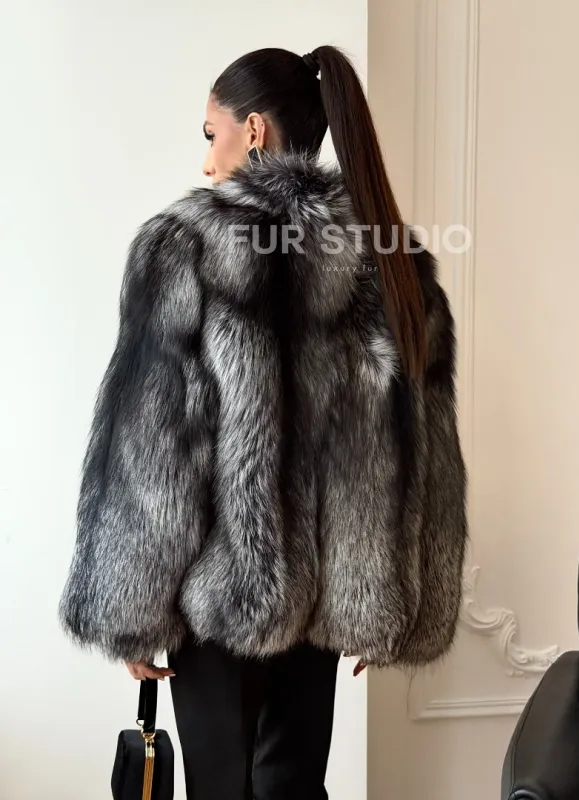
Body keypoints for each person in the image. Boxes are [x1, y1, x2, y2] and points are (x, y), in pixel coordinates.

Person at [58, 45, 467, 800]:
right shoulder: (390, 258)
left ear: (253, 130)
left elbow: (155, 448)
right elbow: (426, 453)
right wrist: (393, 599)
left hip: (216, 603)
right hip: (323, 608)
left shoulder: (183, 246)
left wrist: (129, 608)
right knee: (292, 789)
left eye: (210, 134)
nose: (206, 161)